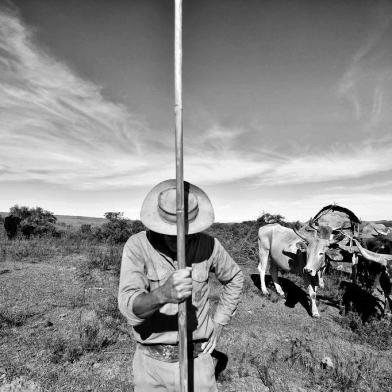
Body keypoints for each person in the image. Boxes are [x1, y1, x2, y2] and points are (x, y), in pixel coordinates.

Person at [118, 179, 244, 392]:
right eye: (170, 233)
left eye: (187, 233)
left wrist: (219, 322)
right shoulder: (137, 245)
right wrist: (162, 294)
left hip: (198, 361)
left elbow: (235, 278)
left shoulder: (209, 245)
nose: (179, 239)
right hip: (151, 364)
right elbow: (129, 306)